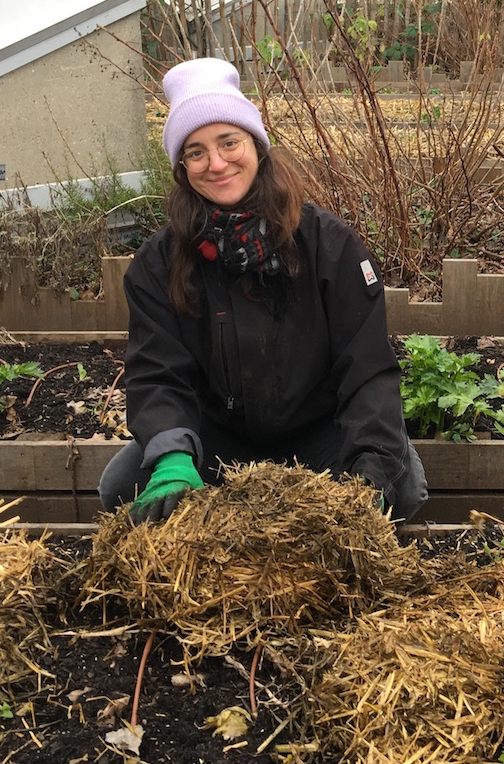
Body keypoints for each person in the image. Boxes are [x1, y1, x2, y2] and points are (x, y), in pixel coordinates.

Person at [100, 57, 428, 524]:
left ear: (255, 144)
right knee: (121, 489)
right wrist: (172, 456)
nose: (216, 163)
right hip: (216, 437)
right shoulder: (159, 262)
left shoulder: (330, 246)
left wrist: (372, 472)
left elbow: (367, 371)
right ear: (181, 166)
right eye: (195, 152)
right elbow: (157, 371)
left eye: (228, 142)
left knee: (404, 487)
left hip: (320, 435)